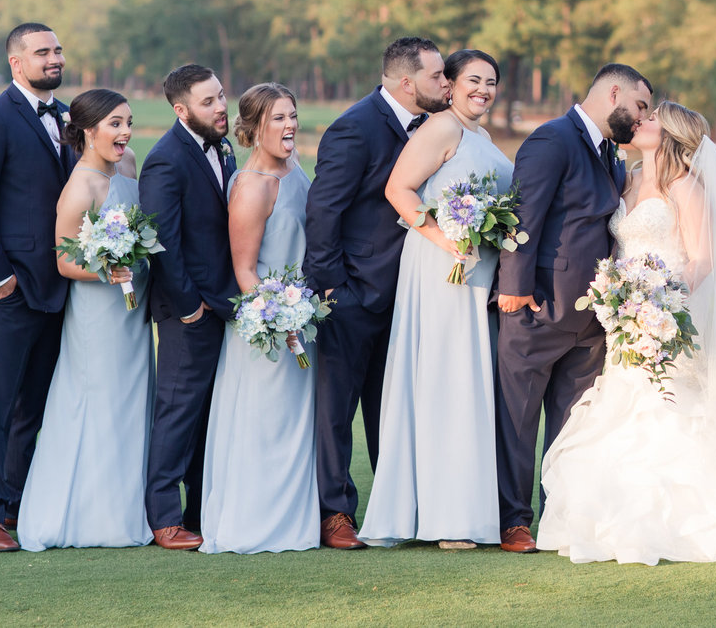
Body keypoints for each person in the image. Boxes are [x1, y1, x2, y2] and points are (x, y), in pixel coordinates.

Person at [537, 102, 716, 564]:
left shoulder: (686, 187)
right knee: (621, 410)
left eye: (651, 118)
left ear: (672, 134)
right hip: (623, 318)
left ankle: (684, 524)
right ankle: (612, 517)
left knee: (669, 409)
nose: (640, 122)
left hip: (667, 315)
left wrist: (661, 305)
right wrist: (620, 301)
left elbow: (702, 258)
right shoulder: (630, 176)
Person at [494, 63, 652, 554]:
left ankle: (556, 517)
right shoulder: (551, 140)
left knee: (571, 426)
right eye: (641, 106)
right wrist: (516, 287)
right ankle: (513, 521)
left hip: (592, 321)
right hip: (537, 307)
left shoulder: (613, 157)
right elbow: (524, 215)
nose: (644, 117)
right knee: (517, 420)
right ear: (613, 93)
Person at [360, 50, 512, 549]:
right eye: (474, 80)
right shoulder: (441, 129)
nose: (483, 90)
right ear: (448, 83)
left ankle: (462, 509)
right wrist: (444, 238)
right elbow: (398, 188)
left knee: (467, 382)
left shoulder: (483, 138)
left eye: (491, 82)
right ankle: (445, 519)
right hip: (441, 270)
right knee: (445, 380)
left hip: (475, 276)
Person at [306, 37, 450, 550]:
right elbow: (323, 215)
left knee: (397, 411)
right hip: (352, 294)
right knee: (336, 412)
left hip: (412, 297)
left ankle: (398, 511)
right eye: (437, 76)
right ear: (406, 83)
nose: (447, 83)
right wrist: (333, 291)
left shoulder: (438, 127)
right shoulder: (354, 128)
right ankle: (335, 514)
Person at [0, 22, 74, 551]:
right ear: (16, 62)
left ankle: (16, 503)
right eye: (42, 51)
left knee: (36, 405)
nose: (54, 58)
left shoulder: (70, 117)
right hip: (13, 289)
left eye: (57, 49)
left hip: (62, 287)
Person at [18, 89, 154, 551]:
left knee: (133, 401)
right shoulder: (80, 187)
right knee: (99, 400)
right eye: (115, 124)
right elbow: (63, 262)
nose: (126, 133)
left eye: (128, 122)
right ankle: (92, 516)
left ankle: (128, 504)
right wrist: (106, 269)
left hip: (132, 311)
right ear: (88, 130)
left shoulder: (130, 163)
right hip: (98, 312)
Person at [199, 83, 319, 553]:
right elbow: (244, 269)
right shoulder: (251, 187)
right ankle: (257, 524)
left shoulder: (294, 170)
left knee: (296, 422)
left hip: (303, 318)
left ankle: (296, 520)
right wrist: (278, 322)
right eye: (278, 118)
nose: (289, 125)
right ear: (253, 128)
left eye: (292, 115)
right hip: (269, 328)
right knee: (267, 420)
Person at [140, 63, 239, 551]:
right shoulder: (165, 160)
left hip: (225, 305)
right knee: (178, 412)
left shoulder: (223, 146)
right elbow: (162, 242)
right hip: (189, 312)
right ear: (181, 110)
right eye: (208, 101)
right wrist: (190, 308)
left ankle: (201, 511)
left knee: (209, 414)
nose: (221, 106)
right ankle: (163, 518)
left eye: (221, 96)